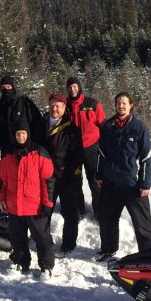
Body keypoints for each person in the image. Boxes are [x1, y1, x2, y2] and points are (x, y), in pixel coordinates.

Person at [95, 92, 151, 261]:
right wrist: (99, 175)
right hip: (110, 183)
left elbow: (147, 157)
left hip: (133, 185)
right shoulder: (108, 127)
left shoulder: (139, 127)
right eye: (118, 103)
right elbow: (101, 153)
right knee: (107, 219)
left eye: (124, 103)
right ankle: (108, 249)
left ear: (131, 105)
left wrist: (145, 183)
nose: (120, 106)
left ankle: (149, 256)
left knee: (143, 224)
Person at [0, 120, 56, 276]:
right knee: (17, 238)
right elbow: (4, 181)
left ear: (28, 134)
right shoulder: (8, 154)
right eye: (18, 134)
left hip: (34, 206)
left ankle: (46, 266)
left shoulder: (40, 152)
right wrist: (1, 199)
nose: (21, 137)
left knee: (42, 239)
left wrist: (47, 202)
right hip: (14, 206)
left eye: (23, 133)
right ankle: (20, 262)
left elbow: (48, 180)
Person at [45, 92, 84, 253]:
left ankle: (68, 243)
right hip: (46, 175)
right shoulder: (41, 124)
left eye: (58, 106)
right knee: (45, 210)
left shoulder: (71, 128)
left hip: (66, 175)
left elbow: (78, 154)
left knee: (70, 212)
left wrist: (72, 174)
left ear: (64, 108)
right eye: (52, 105)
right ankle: (43, 239)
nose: (55, 109)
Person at [65, 76, 105, 216]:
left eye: (74, 86)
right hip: (73, 149)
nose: (72, 89)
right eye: (70, 87)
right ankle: (79, 210)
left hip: (91, 148)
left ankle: (100, 212)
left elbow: (104, 126)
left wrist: (104, 147)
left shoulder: (92, 104)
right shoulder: (65, 106)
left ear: (79, 87)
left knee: (94, 180)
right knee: (75, 180)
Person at [0, 75, 46, 157]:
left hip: (26, 149)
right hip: (8, 150)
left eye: (8, 87)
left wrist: (37, 147)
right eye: (3, 88)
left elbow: (36, 124)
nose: (6, 90)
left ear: (13, 87)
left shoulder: (25, 102)